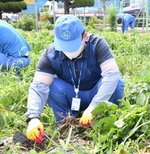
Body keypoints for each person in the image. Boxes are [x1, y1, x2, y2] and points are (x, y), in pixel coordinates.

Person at [24, 15, 125, 143]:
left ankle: (106, 119)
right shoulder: (51, 53)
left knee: (116, 82)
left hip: (97, 92)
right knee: (50, 85)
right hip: (72, 94)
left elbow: (111, 74)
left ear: (84, 36)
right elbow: (38, 87)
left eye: (73, 45)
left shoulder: (97, 44)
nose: (68, 51)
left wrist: (94, 106)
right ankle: (68, 126)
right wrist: (33, 118)